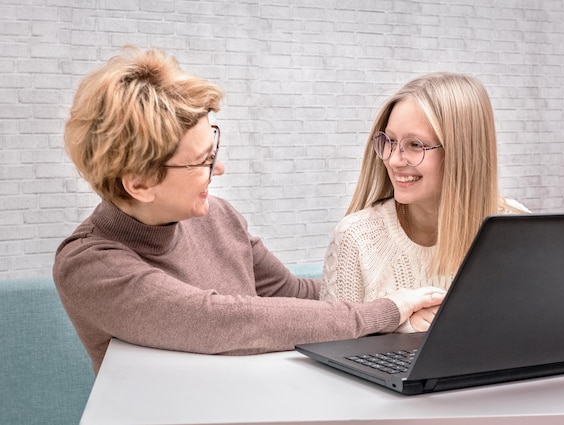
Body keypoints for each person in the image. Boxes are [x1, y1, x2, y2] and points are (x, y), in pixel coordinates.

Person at [53, 46, 445, 375]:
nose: (218, 168)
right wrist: (386, 312)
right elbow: (223, 322)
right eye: (203, 161)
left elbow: (294, 294)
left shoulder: (218, 217)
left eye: (214, 149)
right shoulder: (89, 266)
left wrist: (416, 299)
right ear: (138, 183)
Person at [320, 73, 529, 332]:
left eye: (415, 145)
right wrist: (400, 329)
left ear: (461, 152)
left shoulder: (517, 229)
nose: (394, 160)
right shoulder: (356, 237)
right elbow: (332, 348)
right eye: (390, 141)